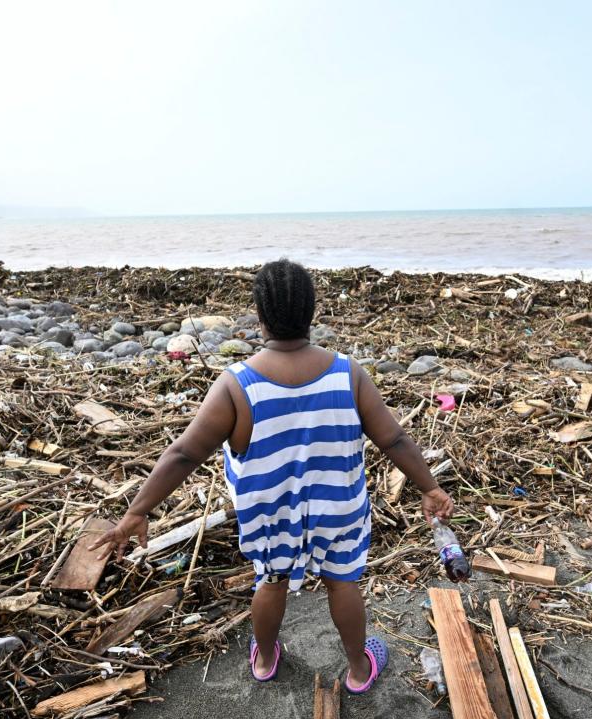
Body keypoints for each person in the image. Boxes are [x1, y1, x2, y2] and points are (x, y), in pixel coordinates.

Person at [91, 259, 454, 692]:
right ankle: (358, 668)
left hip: (271, 513)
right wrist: (429, 487)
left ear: (260, 316)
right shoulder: (347, 373)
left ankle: (265, 658)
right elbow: (393, 439)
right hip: (338, 506)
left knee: (272, 580)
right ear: (311, 312)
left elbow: (185, 452)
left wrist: (137, 510)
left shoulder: (236, 385)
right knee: (343, 583)